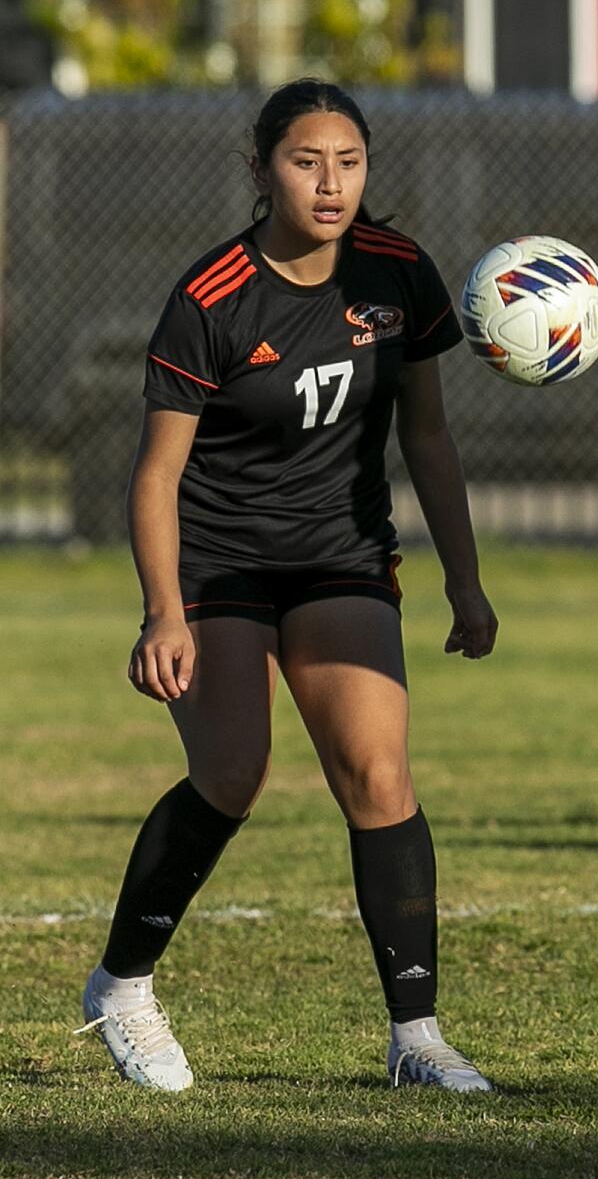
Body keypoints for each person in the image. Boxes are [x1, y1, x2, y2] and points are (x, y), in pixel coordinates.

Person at [77, 79, 498, 1093]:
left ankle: (418, 1036)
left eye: (349, 161)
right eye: (307, 160)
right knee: (234, 771)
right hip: (219, 558)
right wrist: (163, 611)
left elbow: (429, 437)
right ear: (261, 168)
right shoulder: (213, 294)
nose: (330, 182)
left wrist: (466, 583)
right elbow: (155, 475)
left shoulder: (399, 273)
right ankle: (121, 987)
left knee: (377, 772)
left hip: (340, 552)